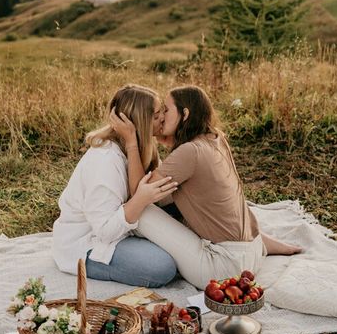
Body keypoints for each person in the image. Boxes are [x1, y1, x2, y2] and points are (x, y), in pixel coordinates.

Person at [111, 85, 301, 290]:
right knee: (180, 202)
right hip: (251, 252)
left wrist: (131, 141)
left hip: (222, 270)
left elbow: (139, 192)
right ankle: (266, 243)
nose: (162, 116)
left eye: (166, 110)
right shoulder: (215, 138)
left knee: (141, 210)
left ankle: (119, 248)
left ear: (185, 114)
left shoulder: (190, 152)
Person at [52, 84, 178, 287]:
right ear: (139, 123)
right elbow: (104, 231)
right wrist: (141, 199)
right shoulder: (105, 160)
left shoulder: (139, 146)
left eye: (162, 110)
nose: (163, 117)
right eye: (155, 116)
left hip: (124, 228)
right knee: (162, 266)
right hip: (89, 244)